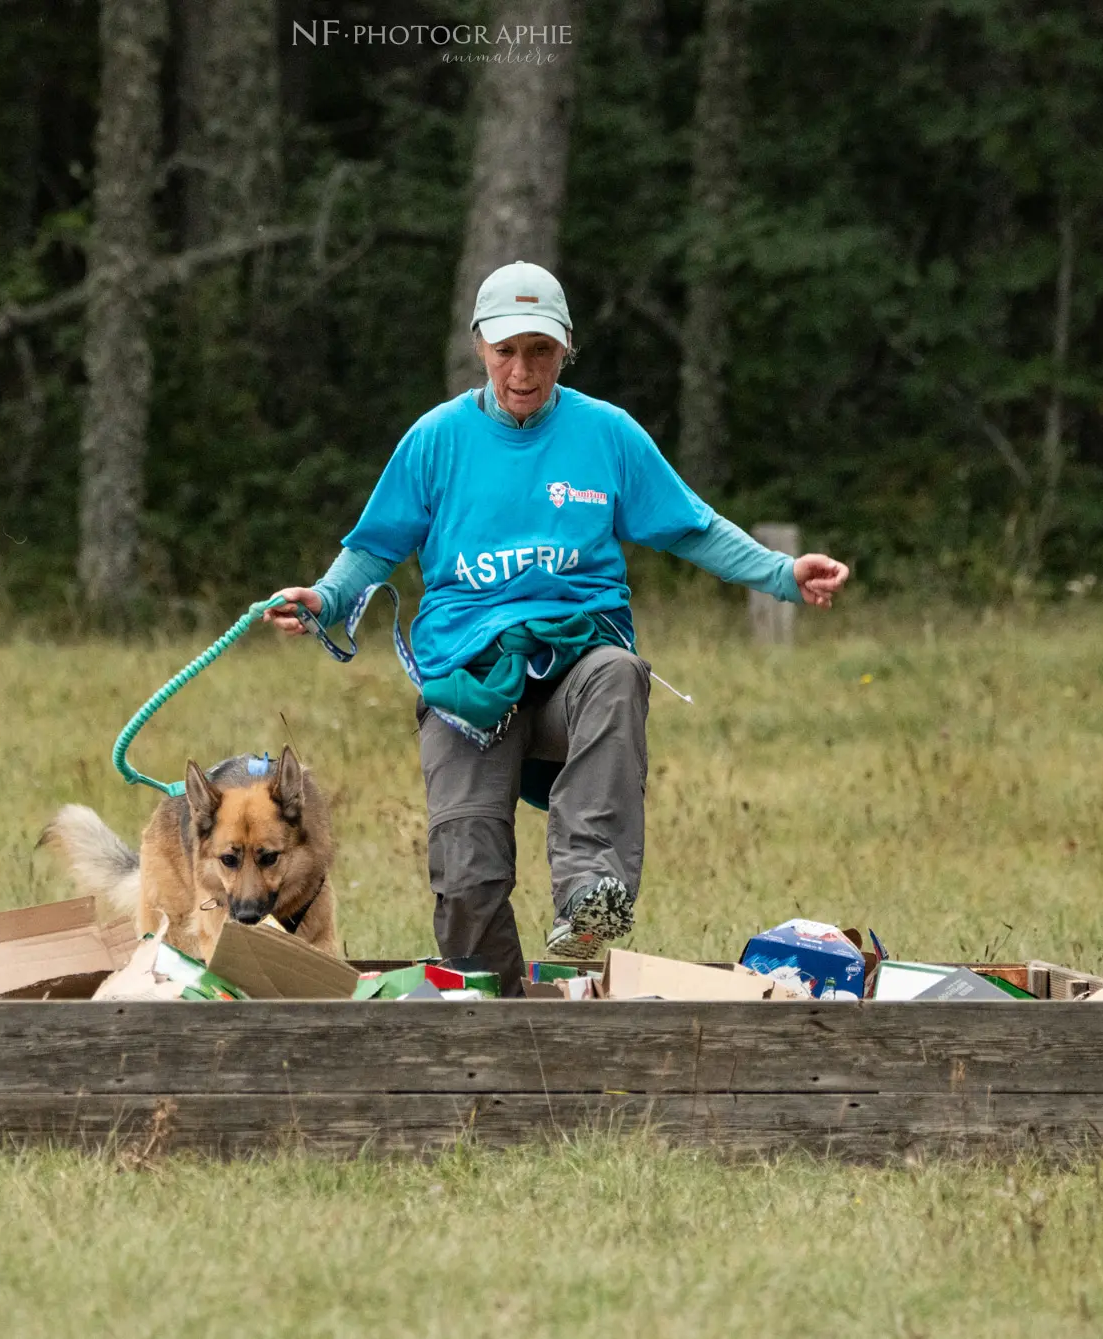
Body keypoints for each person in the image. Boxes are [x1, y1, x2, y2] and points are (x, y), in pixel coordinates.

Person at [267, 261, 850, 994]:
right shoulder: (436, 439)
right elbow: (375, 544)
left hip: (576, 668)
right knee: (467, 879)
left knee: (619, 671)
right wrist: (323, 597)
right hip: (470, 678)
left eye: (540, 351)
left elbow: (693, 527)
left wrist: (781, 573)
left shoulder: (605, 434)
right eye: (506, 350)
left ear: (565, 349)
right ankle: (510, 1018)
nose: (521, 370)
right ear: (480, 346)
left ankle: (589, 902)